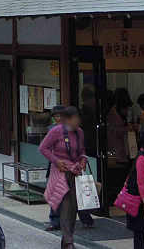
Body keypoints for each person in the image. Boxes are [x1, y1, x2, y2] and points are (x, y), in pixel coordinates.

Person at [40, 106, 88, 249]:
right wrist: (56, 161)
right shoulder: (56, 131)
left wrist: (83, 160)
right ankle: (68, 242)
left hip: (75, 172)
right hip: (60, 172)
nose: (78, 121)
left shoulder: (80, 132)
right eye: (75, 118)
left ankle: (66, 239)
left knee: (74, 208)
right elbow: (43, 148)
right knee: (66, 206)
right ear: (67, 119)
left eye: (78, 118)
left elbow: (82, 151)